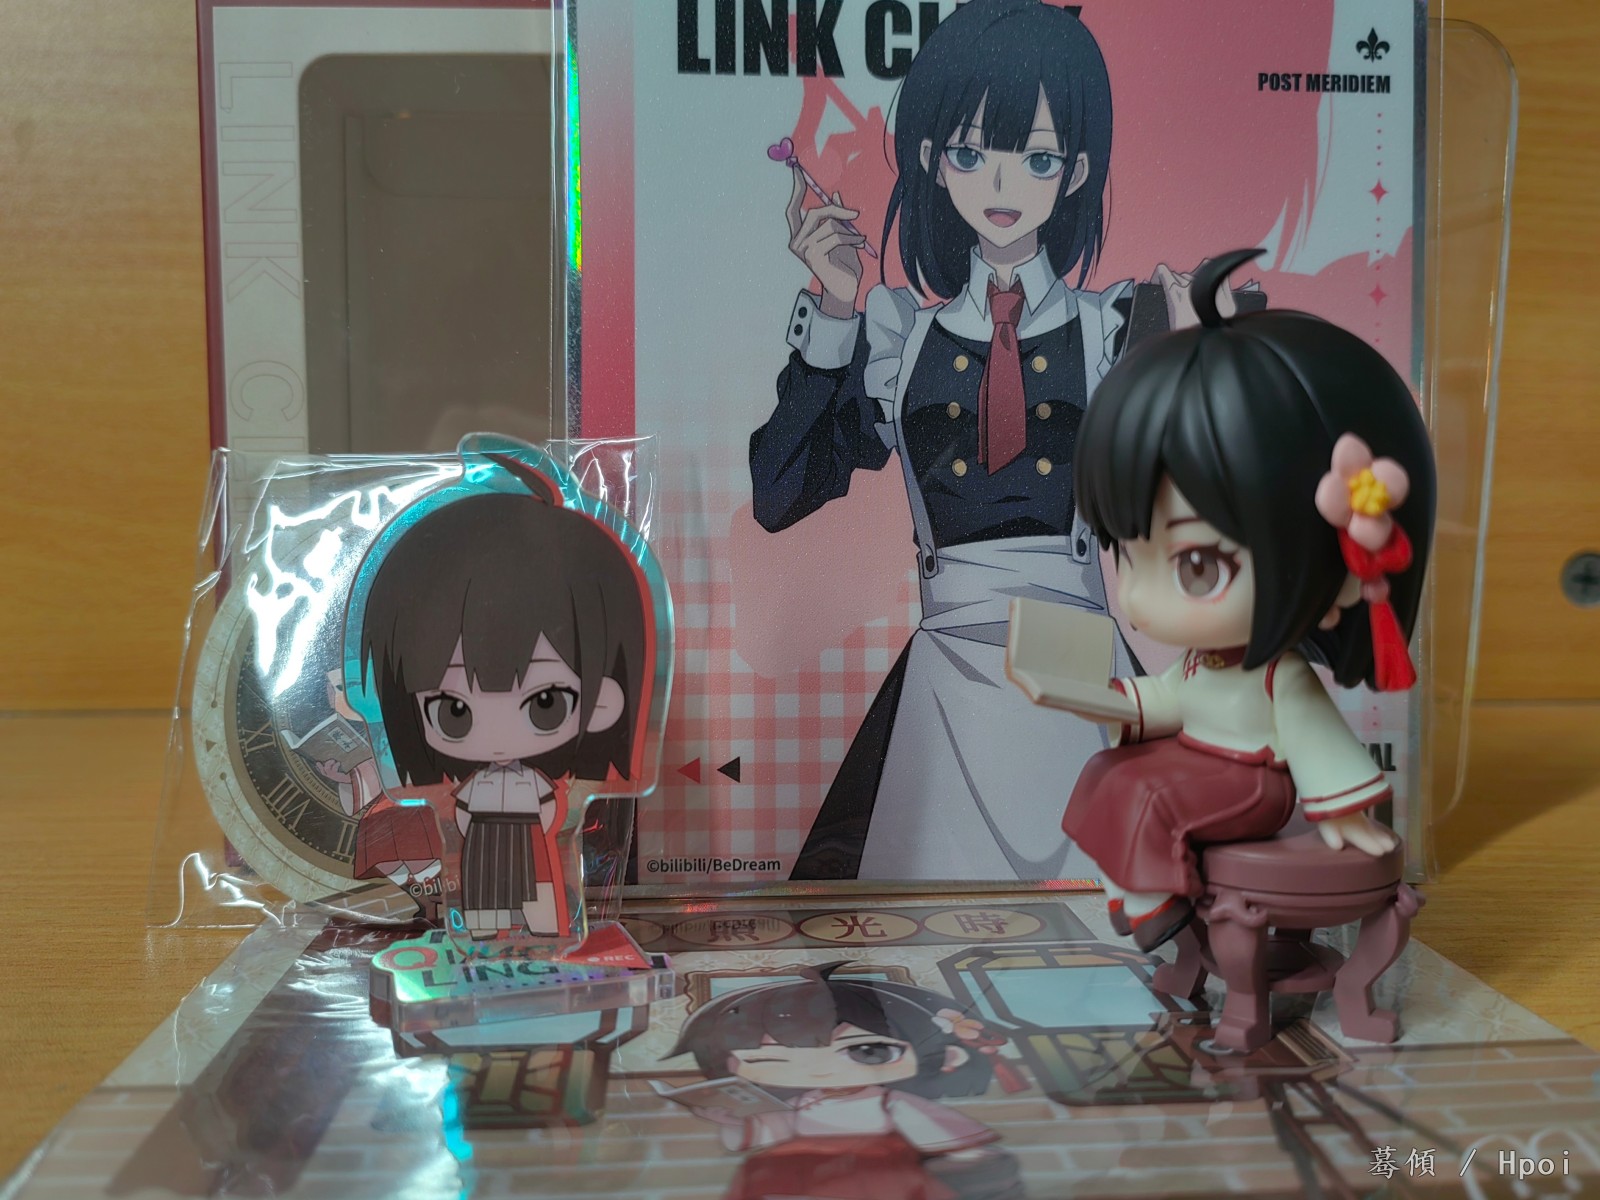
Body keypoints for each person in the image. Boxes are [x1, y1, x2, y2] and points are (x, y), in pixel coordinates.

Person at [751, 0, 1228, 881]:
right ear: (935, 159)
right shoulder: (897, 335)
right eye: (973, 153)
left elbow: (1213, 507)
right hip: (947, 676)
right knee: (895, 920)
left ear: (1076, 172)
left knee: (1138, 913)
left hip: (1084, 670)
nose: (1003, 185)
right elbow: (779, 493)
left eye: (1037, 158)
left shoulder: (1119, 326)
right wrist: (834, 308)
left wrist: (1207, 361)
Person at [1047, 247, 1434, 950]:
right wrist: (1095, 697)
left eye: (1196, 565)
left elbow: (1317, 741)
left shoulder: (1280, 676)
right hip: (1197, 764)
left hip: (1254, 785)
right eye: (1127, 556)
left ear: (1324, 561)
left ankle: (1159, 899)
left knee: (1147, 793)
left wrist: (1344, 808)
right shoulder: (1202, 661)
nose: (1142, 601)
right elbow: (1167, 698)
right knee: (1104, 771)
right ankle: (1132, 889)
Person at [351, 453, 651, 940]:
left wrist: (542, 814)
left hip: (530, 844)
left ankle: (542, 928)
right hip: (484, 848)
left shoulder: (539, 786)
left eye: (545, 704)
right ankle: (487, 930)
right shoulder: (472, 789)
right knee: (486, 894)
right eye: (454, 712)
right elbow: (465, 813)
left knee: (538, 892)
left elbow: (551, 812)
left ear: (604, 703)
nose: (496, 736)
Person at [668, 963, 1012, 1200]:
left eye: (867, 1051)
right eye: (770, 1058)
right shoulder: (802, 1103)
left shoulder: (889, 1102)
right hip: (789, 1166)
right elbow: (776, 1126)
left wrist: (964, 1151)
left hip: (872, 1164)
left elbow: (931, 1125)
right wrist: (732, 1124)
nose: (820, 1069)